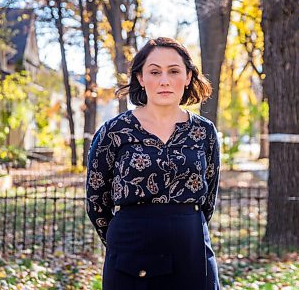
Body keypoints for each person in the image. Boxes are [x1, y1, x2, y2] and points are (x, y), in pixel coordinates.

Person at [86, 37, 221, 290]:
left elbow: (209, 197)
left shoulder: (204, 132)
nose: (164, 80)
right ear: (140, 77)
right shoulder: (114, 131)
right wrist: (122, 240)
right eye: (154, 71)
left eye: (173, 71)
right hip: (131, 252)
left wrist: (184, 228)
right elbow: (96, 200)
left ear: (189, 76)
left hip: (191, 251)